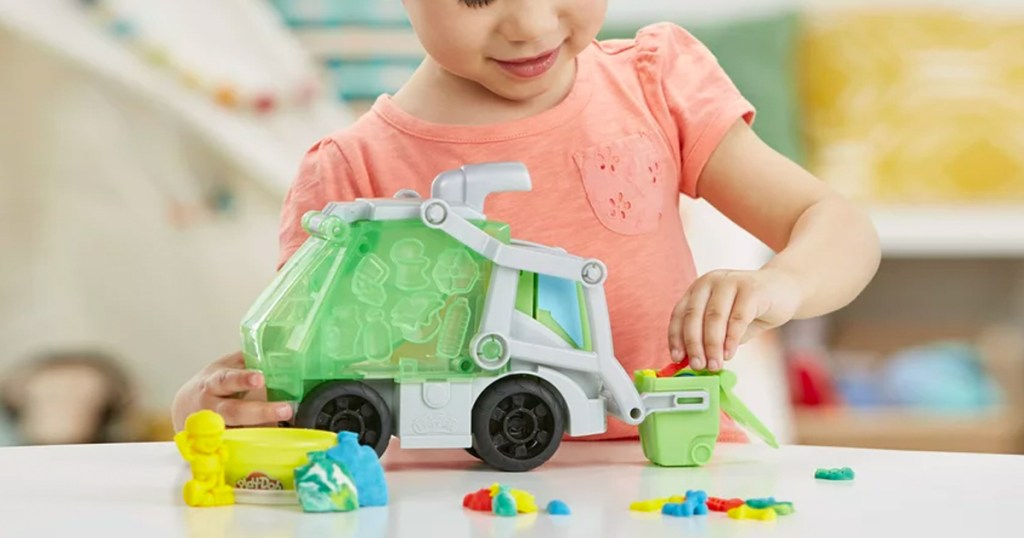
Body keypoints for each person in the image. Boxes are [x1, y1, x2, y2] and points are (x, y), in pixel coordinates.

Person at [172, 0, 879, 438]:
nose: (533, 24)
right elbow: (293, 371)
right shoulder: (349, 176)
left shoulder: (655, 84)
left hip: (670, 491)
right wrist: (213, 411)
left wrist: (780, 284)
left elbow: (835, 224)